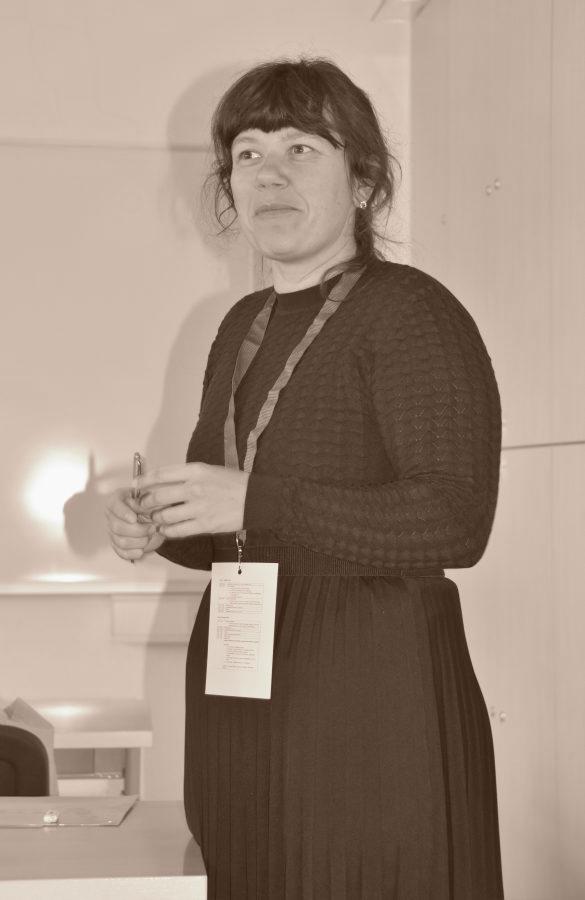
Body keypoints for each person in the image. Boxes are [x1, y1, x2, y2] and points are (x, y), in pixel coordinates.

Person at [106, 57, 505, 899]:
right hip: (243, 685)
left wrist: (255, 498)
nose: (268, 175)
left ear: (361, 181)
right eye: (247, 154)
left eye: (300, 149)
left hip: (369, 690)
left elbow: (455, 520)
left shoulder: (410, 310)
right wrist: (164, 525)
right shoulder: (239, 325)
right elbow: (236, 531)